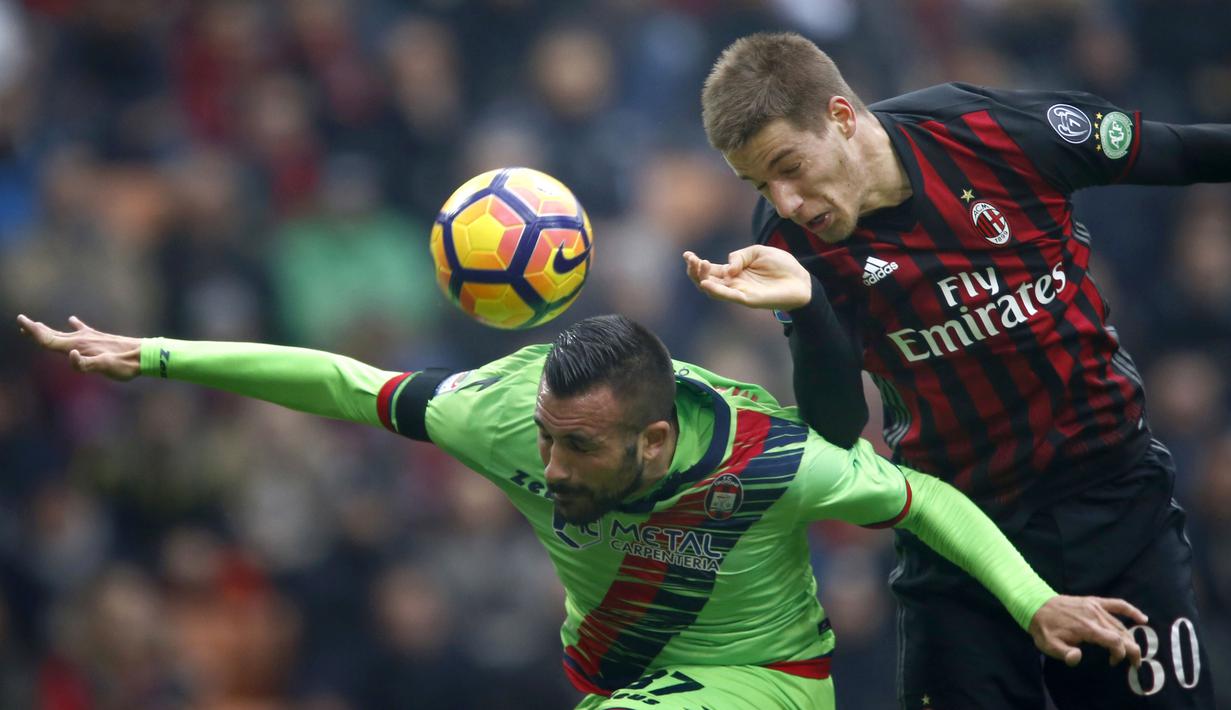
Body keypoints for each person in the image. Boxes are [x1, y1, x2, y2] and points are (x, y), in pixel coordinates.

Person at [16, 312, 1145, 710]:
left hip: (765, 680)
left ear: (654, 439)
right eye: (547, 438)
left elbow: (924, 495)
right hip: (610, 670)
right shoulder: (500, 416)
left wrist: (1034, 597)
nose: (549, 467)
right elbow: (340, 381)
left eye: (581, 447)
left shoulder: (773, 460)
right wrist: (153, 355)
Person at [690, 31, 1231, 709]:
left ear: (839, 115)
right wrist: (807, 309)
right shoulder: (784, 240)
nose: (786, 199)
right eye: (759, 182)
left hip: (1114, 508)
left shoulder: (990, 133)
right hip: (960, 547)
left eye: (788, 165)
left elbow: (1178, 149)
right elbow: (836, 426)